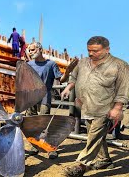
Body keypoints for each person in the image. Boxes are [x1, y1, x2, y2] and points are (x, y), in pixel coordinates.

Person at [61, 36, 129, 176]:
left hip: (105, 106)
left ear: (107, 49)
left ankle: (81, 165)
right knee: (97, 134)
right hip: (86, 105)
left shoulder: (120, 65)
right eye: (89, 50)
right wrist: (69, 87)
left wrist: (117, 107)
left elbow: (124, 88)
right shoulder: (84, 62)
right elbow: (74, 76)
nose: (91, 54)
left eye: (95, 51)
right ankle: (104, 160)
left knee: (94, 135)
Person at [25, 42, 78, 159]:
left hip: (44, 96)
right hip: (30, 97)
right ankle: (35, 146)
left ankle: (50, 148)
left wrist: (68, 71)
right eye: (29, 50)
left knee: (45, 122)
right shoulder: (28, 64)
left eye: (33, 50)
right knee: (31, 123)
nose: (30, 52)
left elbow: (61, 79)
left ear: (40, 49)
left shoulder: (51, 64)